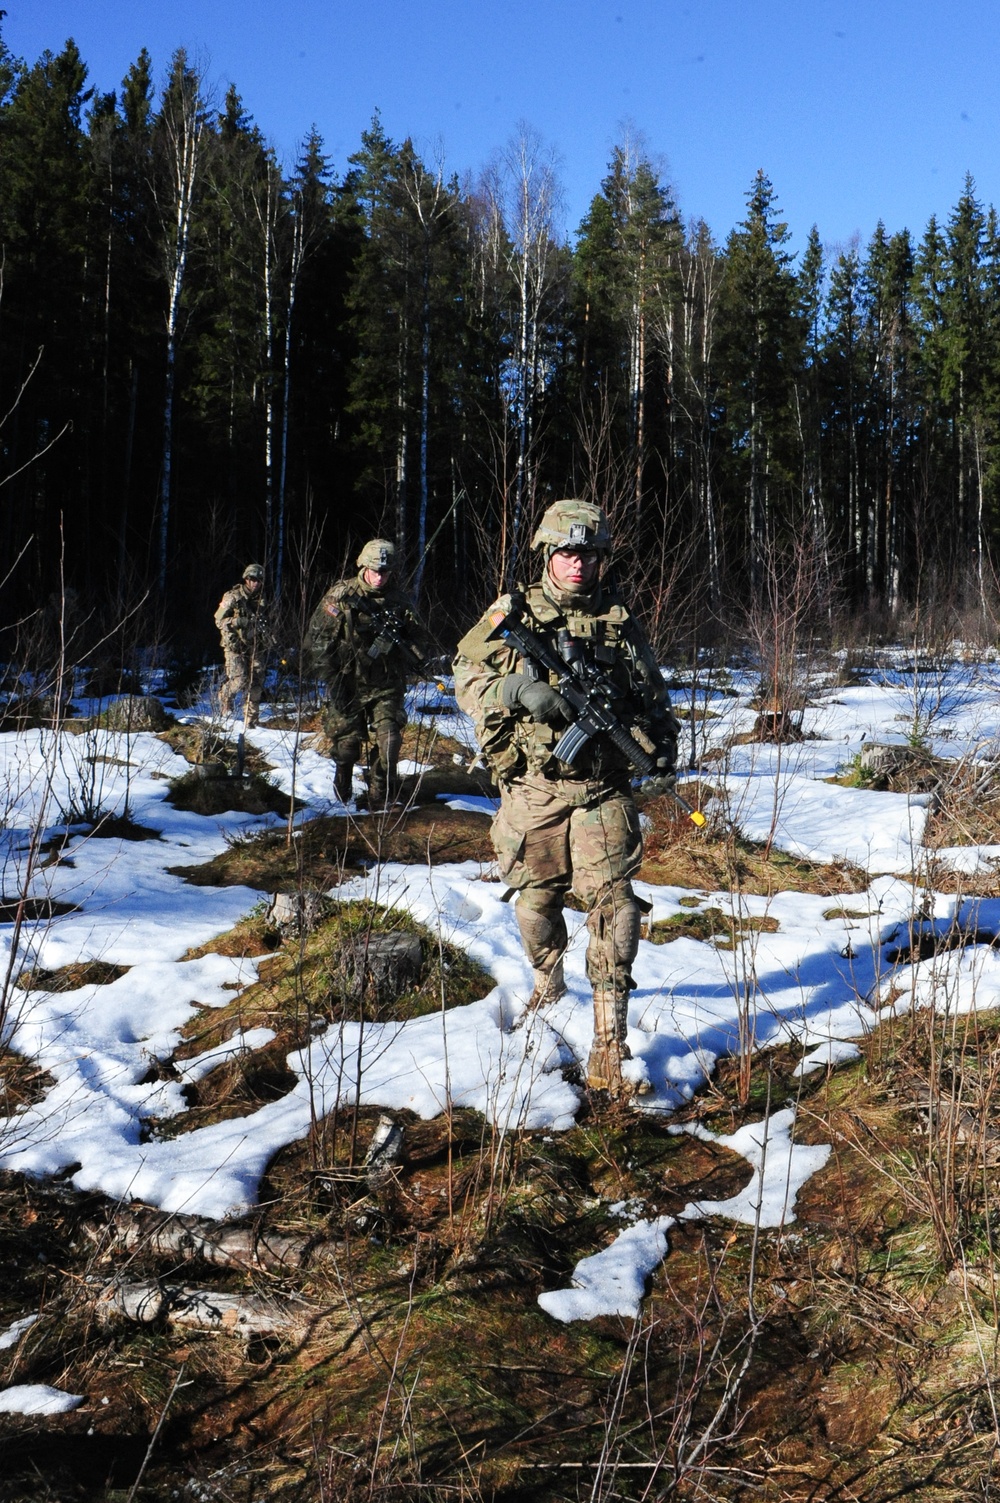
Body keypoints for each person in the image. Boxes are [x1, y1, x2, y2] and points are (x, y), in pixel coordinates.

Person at [453, 500, 679, 1100]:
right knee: (535, 901)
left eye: (590, 553)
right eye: (568, 552)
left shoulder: (618, 618)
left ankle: (610, 1038)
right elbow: (464, 678)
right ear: (549, 555)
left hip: (603, 787)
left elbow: (650, 693)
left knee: (615, 904)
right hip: (535, 787)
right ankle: (547, 980)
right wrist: (516, 688)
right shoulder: (513, 613)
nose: (579, 564)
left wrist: (660, 747)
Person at [307, 539, 428, 808]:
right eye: (374, 570)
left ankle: (378, 791)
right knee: (347, 747)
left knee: (389, 742)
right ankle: (343, 777)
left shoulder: (400, 600)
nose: (379, 577)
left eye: (385, 572)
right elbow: (316, 641)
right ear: (363, 566)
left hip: (386, 684)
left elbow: (421, 640)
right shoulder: (342, 595)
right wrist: (333, 679)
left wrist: (405, 640)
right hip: (347, 680)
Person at [214, 563, 272, 726]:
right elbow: (218, 620)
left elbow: (264, 620)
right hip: (235, 645)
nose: (255, 583)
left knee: (257, 681)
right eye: (252, 579)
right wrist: (236, 621)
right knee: (239, 679)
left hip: (254, 644)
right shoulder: (233, 596)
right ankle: (225, 696)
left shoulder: (261, 599)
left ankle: (251, 721)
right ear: (246, 579)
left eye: (259, 580)